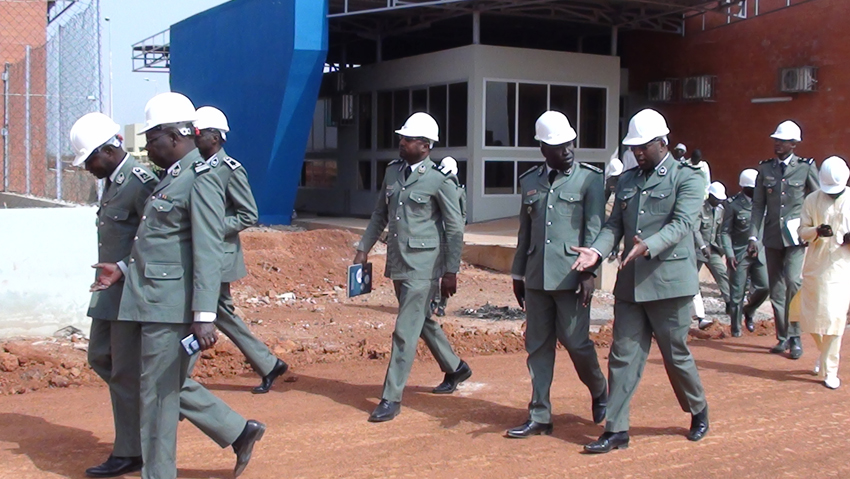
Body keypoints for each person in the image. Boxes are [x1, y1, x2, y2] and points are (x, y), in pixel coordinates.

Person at [92, 92, 265, 479]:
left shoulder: (199, 180)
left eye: (152, 140)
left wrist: (204, 316)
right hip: (150, 300)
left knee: (158, 397)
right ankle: (233, 434)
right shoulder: (172, 178)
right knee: (156, 391)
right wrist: (121, 267)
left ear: (174, 136)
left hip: (172, 307)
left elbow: (207, 251)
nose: (148, 149)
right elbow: (159, 243)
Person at [573, 109, 709, 453]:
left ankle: (697, 408)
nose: (637, 153)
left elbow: (682, 224)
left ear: (662, 143)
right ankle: (616, 430)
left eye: (643, 147)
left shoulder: (688, 178)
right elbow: (613, 226)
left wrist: (650, 245)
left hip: (670, 284)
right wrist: (596, 252)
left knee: (675, 356)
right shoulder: (629, 181)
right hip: (631, 285)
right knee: (622, 356)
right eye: (633, 148)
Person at [354, 112, 470, 422]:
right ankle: (456, 368)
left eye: (407, 139)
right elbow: (380, 214)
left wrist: (450, 271)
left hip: (425, 267)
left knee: (404, 330)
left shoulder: (440, 179)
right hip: (399, 263)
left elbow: (455, 228)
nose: (401, 143)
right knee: (421, 320)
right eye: (402, 138)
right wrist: (363, 248)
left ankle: (391, 397)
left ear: (425, 145)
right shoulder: (393, 173)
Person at [506, 111, 607, 439]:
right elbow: (526, 232)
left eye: (569, 143)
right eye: (557, 146)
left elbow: (594, 228)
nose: (566, 150)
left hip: (572, 276)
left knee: (577, 342)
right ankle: (540, 415)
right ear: (542, 149)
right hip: (536, 277)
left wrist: (589, 272)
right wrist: (518, 274)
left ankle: (599, 388)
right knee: (537, 346)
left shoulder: (590, 179)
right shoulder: (530, 181)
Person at [71, 112, 155, 478]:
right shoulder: (108, 182)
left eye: (90, 159)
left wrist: (122, 267)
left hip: (131, 289)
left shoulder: (141, 182)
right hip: (109, 291)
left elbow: (155, 240)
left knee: (125, 374)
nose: (88, 167)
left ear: (109, 149)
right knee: (100, 358)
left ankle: (130, 450)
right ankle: (148, 418)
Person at [192, 106, 288, 393]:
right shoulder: (196, 167)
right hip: (202, 254)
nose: (196, 138)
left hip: (219, 255)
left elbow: (248, 213)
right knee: (214, 313)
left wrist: (210, 227)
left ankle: (177, 381)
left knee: (204, 312)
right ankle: (268, 364)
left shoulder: (230, 170)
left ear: (217, 137)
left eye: (201, 133)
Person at [747, 120, 819, 359]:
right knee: (776, 289)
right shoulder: (765, 169)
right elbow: (758, 206)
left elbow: (817, 198)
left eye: (782, 141)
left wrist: (814, 229)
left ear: (794, 144)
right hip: (772, 237)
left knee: (794, 283)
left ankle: (796, 336)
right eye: (775, 140)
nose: (777, 144)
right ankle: (783, 337)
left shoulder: (806, 167)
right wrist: (753, 236)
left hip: (796, 237)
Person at [790, 156, 850, 389]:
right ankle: (824, 356)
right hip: (816, 266)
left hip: (842, 267)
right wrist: (816, 230)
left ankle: (830, 369)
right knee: (812, 318)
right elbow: (801, 231)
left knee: (834, 319)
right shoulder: (812, 199)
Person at [721, 169, 769, 337]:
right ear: (745, 188)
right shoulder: (733, 205)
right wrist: (729, 254)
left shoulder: (764, 203)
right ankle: (736, 329)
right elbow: (724, 232)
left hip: (760, 253)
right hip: (739, 254)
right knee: (737, 294)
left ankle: (749, 310)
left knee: (765, 286)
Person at [429, 156, 466, 317]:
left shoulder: (459, 191)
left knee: (446, 271)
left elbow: (462, 214)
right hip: (438, 235)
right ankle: (435, 303)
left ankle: (440, 304)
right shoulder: (438, 186)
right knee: (435, 271)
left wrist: (457, 230)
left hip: (449, 237)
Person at [692, 181, 732, 330]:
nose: (718, 201)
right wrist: (702, 246)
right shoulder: (700, 209)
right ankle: (696, 313)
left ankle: (729, 302)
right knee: (692, 279)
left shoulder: (720, 210)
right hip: (697, 249)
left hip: (712, 248)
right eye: (716, 198)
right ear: (710, 196)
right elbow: (695, 230)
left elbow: (720, 230)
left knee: (721, 272)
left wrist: (721, 248)